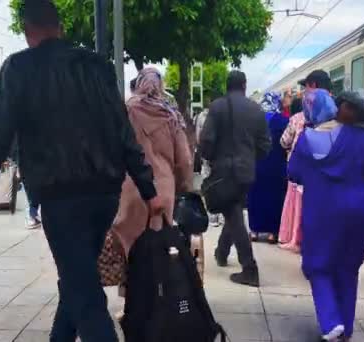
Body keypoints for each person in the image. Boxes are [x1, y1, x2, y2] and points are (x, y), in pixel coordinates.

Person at [0, 2, 163, 342]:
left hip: (59, 195)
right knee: (75, 278)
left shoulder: (19, 68)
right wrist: (149, 188)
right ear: (60, 26)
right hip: (105, 192)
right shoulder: (98, 66)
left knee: (84, 293)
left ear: (28, 31)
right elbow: (122, 130)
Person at [288, 89, 364, 342]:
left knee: (318, 266)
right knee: (348, 267)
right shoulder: (362, 138)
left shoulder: (305, 140)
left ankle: (330, 322)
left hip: (321, 211)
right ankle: (345, 328)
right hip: (357, 210)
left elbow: (293, 173)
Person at [111, 67, 193, 260]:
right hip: (163, 190)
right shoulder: (170, 114)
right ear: (161, 86)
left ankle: (131, 289)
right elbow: (185, 160)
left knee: (129, 249)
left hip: (131, 189)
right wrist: (184, 186)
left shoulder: (126, 110)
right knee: (159, 249)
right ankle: (158, 287)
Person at [200, 70, 271, 287]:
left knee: (233, 214)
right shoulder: (257, 109)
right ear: (244, 85)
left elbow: (206, 141)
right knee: (234, 211)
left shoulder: (218, 107)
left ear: (227, 85)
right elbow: (265, 145)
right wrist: (248, 159)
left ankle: (250, 268)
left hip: (224, 170)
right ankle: (221, 253)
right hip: (246, 172)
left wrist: (211, 160)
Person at [302, 70, 364, 223]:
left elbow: (296, 172)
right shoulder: (363, 139)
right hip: (358, 205)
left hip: (326, 206)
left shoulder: (311, 136)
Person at [247, 92, 289, 244]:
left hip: (256, 164)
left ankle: (254, 231)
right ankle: (272, 233)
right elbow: (287, 143)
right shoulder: (284, 121)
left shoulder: (253, 120)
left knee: (255, 196)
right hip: (276, 166)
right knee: (275, 197)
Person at [278, 96, 306, 253]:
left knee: (294, 202)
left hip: (295, 165)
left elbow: (284, 141)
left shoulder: (296, 119)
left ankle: (293, 237)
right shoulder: (323, 119)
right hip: (314, 170)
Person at [195, 108, 223, 228]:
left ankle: (212, 216)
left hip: (207, 156)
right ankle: (222, 215)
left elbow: (198, 137)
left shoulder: (202, 117)